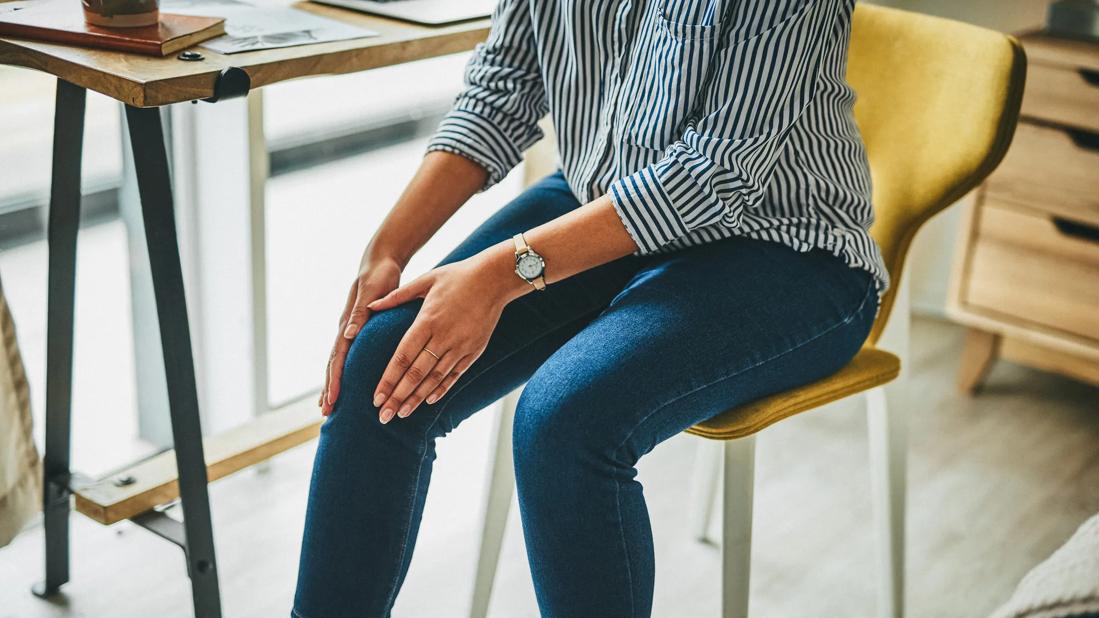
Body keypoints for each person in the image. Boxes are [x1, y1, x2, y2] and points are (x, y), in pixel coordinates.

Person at [292, 0, 888, 616]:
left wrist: (501, 275)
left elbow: (716, 172)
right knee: (380, 364)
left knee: (565, 424)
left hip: (785, 247)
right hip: (599, 197)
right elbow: (506, 84)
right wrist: (388, 248)